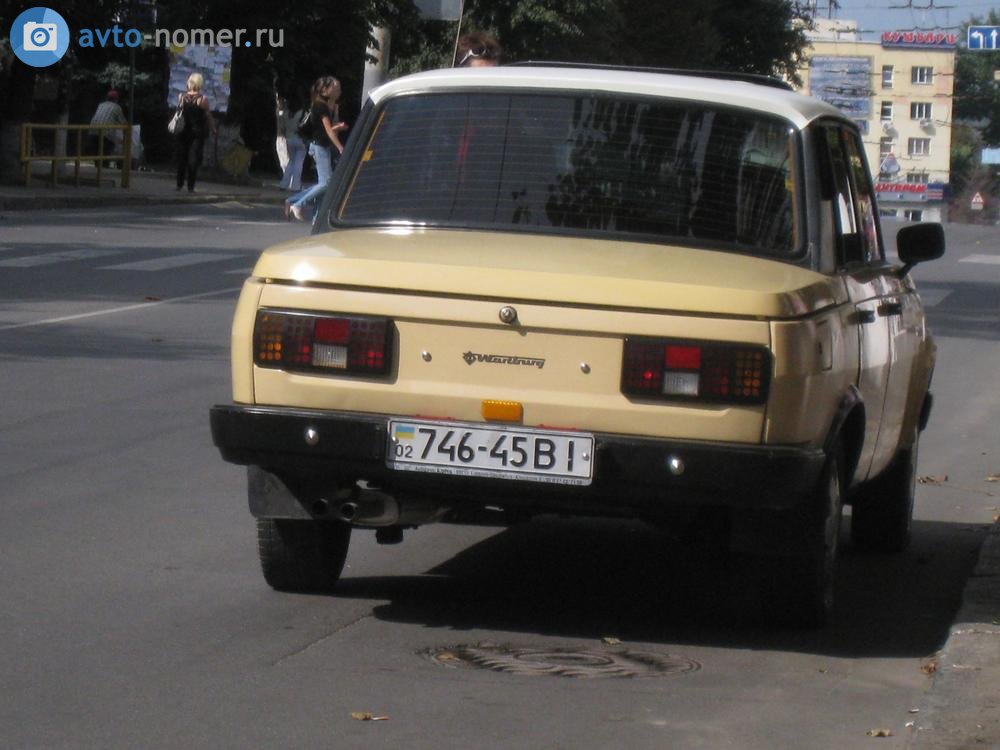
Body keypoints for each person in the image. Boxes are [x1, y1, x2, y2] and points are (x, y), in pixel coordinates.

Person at [285, 76, 348, 222]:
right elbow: (328, 130)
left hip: (322, 145)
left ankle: (315, 218)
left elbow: (327, 129)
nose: (338, 91)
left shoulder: (325, 105)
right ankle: (298, 203)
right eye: (335, 88)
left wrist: (337, 124)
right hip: (319, 147)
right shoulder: (320, 106)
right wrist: (340, 147)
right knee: (326, 183)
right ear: (325, 89)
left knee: (324, 185)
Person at [173, 72, 218, 193]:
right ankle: (190, 187)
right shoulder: (202, 100)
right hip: (197, 134)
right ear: (200, 84)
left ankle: (179, 184)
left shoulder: (182, 97)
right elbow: (208, 116)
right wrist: (213, 128)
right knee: (193, 160)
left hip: (183, 132)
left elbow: (179, 112)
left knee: (182, 158)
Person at [278, 91, 307, 191]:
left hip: (288, 139)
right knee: (299, 162)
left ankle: (284, 184)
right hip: (299, 138)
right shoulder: (302, 113)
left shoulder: (286, 113)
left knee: (291, 161)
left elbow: (283, 127)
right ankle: (296, 185)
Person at [89, 90, 127, 164]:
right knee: (106, 154)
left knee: (97, 156)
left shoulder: (101, 105)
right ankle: (104, 165)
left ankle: (98, 166)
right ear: (116, 99)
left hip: (92, 132)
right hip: (105, 134)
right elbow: (124, 123)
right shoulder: (116, 107)